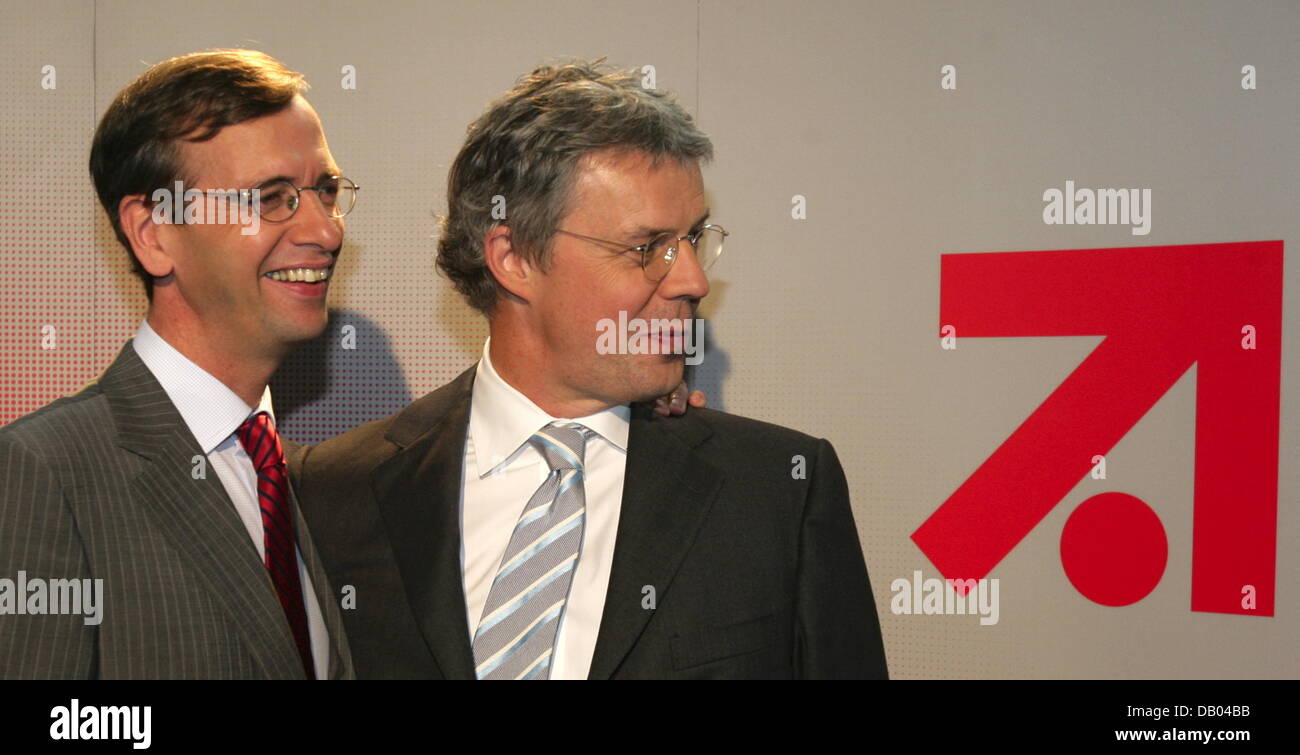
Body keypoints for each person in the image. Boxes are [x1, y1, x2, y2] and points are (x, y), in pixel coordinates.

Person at [292, 60, 888, 679]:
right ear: (515, 257)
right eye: (647, 248)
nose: (693, 280)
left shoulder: (777, 493)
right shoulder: (335, 492)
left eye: (693, 239)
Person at [0, 50, 356, 678]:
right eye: (271, 197)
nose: (325, 231)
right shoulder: (44, 471)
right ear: (153, 233)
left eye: (325, 191)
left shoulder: (307, 479)